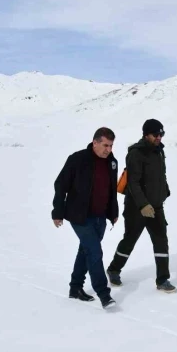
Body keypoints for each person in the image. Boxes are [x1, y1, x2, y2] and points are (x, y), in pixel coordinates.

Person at [107, 119, 177, 293]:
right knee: (130, 240)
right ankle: (114, 269)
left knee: (161, 242)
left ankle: (163, 280)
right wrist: (143, 205)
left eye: (162, 134)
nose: (159, 137)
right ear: (146, 134)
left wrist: (164, 192)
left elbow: (161, 175)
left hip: (156, 207)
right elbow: (133, 183)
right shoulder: (136, 153)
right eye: (156, 134)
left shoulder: (159, 151)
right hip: (136, 208)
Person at [52, 127, 119, 309]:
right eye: (105, 145)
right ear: (95, 142)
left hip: (100, 216)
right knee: (95, 252)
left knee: (86, 251)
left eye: (111, 146)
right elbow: (60, 185)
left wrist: (113, 212)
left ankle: (75, 288)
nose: (108, 150)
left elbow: (112, 190)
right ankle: (104, 294)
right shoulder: (78, 159)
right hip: (79, 216)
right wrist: (57, 212)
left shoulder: (112, 162)